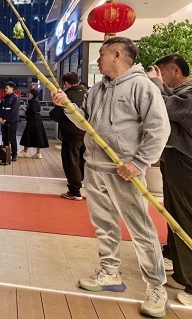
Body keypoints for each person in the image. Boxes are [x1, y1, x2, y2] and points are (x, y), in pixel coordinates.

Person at [51, 37, 170, 317]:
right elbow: (85, 123)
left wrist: (139, 162)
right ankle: (109, 272)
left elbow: (159, 128)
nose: (97, 59)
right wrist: (67, 106)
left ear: (117, 55)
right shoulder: (97, 89)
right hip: (95, 167)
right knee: (104, 225)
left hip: (124, 170)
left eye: (102, 54)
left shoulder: (142, 86)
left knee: (140, 229)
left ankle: (156, 287)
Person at [147, 54, 192, 306]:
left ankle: (191, 282)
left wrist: (155, 84)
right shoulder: (180, 92)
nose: (159, 77)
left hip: (186, 162)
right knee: (175, 215)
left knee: (184, 218)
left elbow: (166, 107)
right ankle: (182, 273)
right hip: (176, 160)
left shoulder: (189, 93)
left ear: (175, 70)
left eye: (161, 73)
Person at [50, 72, 87, 201]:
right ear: (78, 81)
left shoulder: (66, 97)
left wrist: (57, 104)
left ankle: (74, 190)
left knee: (71, 162)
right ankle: (84, 184)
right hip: (87, 133)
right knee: (84, 160)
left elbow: (56, 116)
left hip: (71, 133)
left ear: (66, 83)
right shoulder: (88, 94)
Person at [18, 88, 49, 159]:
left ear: (32, 94)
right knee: (38, 136)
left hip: (32, 120)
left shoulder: (32, 101)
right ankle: (38, 153)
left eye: (29, 93)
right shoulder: (37, 100)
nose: (28, 94)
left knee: (28, 135)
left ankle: (25, 152)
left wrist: (26, 111)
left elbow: (31, 111)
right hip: (38, 120)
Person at [0, 81, 20, 161]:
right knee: (5, 138)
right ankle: (6, 154)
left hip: (12, 122)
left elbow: (13, 111)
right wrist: (0, 117)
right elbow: (1, 108)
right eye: (5, 88)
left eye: (7, 88)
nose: (5, 89)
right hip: (4, 121)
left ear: (12, 88)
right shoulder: (4, 98)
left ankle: (14, 154)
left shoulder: (15, 98)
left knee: (12, 138)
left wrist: (6, 119)